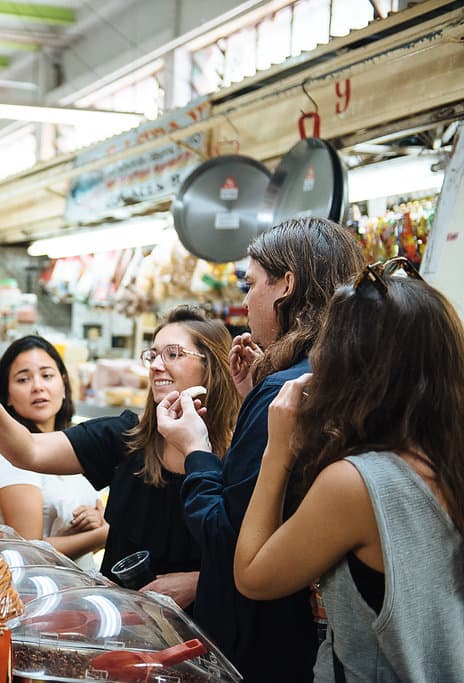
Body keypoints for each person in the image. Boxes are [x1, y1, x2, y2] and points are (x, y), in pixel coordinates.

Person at [156, 217, 366, 681]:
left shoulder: (283, 390)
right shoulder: (343, 375)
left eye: (251, 284)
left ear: (286, 284)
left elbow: (229, 538)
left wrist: (197, 449)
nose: (245, 300)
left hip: (259, 643)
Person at [233, 261, 464, 682]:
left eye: (328, 340)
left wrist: (277, 450)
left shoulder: (357, 483)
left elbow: (252, 576)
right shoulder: (443, 459)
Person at [0, 307, 240, 607]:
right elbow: (28, 450)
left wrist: (201, 582)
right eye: (153, 355)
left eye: (173, 354)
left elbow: (261, 556)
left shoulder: (241, 452)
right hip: (125, 627)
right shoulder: (126, 437)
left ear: (210, 364)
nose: (157, 366)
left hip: (212, 631)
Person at [0, 335, 108, 570]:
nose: (38, 386)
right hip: (38, 595)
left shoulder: (72, 445)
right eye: (23, 379)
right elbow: (29, 550)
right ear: (7, 396)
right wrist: (103, 535)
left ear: (63, 384)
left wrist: (96, 523)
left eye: (47, 376)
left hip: (75, 589)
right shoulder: (10, 455)